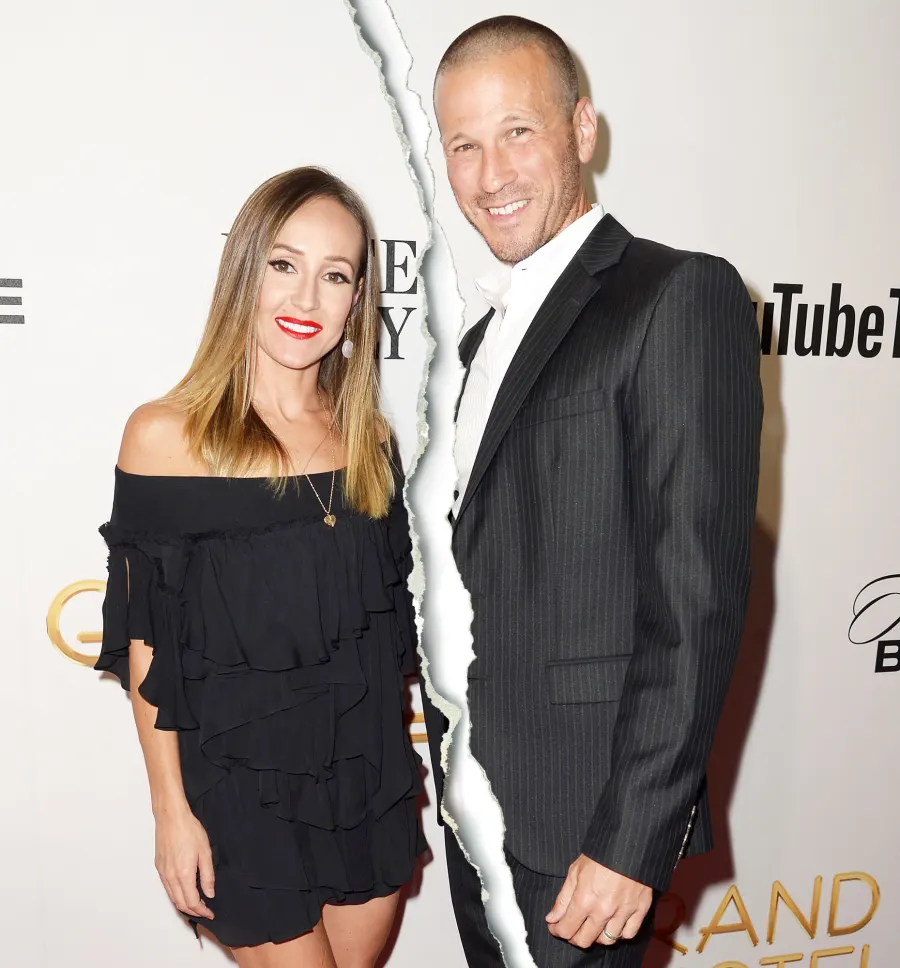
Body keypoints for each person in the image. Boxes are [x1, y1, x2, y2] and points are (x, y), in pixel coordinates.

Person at [427, 16, 763, 967]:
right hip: (478, 814)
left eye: (517, 132)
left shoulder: (675, 297)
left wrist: (631, 841)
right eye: (464, 145)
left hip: (585, 830)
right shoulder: (481, 346)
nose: (491, 175)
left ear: (582, 129)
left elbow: (694, 601)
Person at [95, 167, 425, 968]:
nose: (306, 298)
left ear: (357, 301)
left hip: (363, 782)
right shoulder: (164, 437)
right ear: (244, 271)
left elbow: (381, 643)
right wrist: (171, 811)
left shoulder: (371, 442)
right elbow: (149, 644)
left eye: (335, 275)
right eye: (284, 265)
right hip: (236, 797)